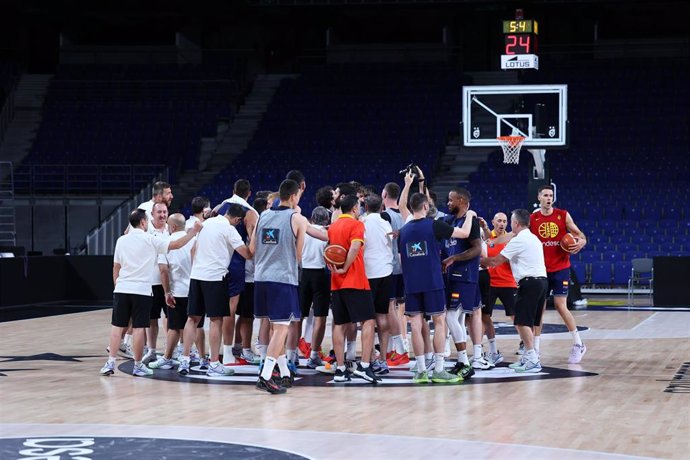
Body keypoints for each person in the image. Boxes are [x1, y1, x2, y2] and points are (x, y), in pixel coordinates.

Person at [100, 209, 200, 377]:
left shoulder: (121, 240)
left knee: (117, 327)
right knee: (139, 328)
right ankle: (138, 366)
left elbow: (116, 267)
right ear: (143, 222)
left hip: (122, 289)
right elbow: (176, 245)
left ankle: (110, 362)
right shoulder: (151, 240)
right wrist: (193, 233)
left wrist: (117, 284)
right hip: (141, 291)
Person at [399, 189, 475, 384]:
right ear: (425, 206)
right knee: (439, 323)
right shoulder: (434, 225)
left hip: (411, 284)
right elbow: (465, 233)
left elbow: (402, 260)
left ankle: (422, 370)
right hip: (433, 282)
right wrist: (470, 215)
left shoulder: (403, 231)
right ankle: (439, 369)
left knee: (415, 326)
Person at [178, 204, 252, 377]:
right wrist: (253, 234)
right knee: (216, 320)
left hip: (196, 275)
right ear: (237, 220)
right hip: (215, 277)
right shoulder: (230, 230)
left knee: (192, 319)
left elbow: (193, 249)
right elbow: (247, 254)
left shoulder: (206, 223)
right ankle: (214, 364)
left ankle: (185, 359)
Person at [252, 179, 308, 394]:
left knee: (276, 328)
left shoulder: (263, 216)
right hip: (283, 279)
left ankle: (284, 373)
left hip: (261, 277)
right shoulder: (298, 219)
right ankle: (265, 376)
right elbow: (299, 255)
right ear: (294, 196)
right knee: (282, 328)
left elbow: (254, 247)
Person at [481, 209, 547, 373]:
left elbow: (496, 260)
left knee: (522, 321)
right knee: (525, 321)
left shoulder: (519, 241)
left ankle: (532, 358)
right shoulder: (532, 237)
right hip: (541, 282)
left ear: (516, 223)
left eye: (510, 222)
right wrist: (490, 240)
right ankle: (529, 357)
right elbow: (500, 239)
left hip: (529, 283)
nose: (509, 225)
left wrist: (476, 259)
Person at [530, 185, 587, 363]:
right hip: (541, 269)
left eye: (551, 195)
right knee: (539, 308)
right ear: (539, 197)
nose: (549, 198)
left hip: (561, 267)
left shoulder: (563, 215)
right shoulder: (533, 218)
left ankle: (579, 344)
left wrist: (582, 242)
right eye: (545, 195)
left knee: (561, 306)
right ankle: (535, 349)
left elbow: (580, 234)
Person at [327, 194, 381, 384]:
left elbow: (328, 251)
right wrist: (345, 267)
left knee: (339, 324)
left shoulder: (333, 227)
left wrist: (334, 267)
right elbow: (355, 247)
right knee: (368, 321)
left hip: (336, 283)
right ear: (354, 209)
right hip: (355, 280)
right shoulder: (357, 225)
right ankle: (365, 366)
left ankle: (340, 369)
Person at [441, 187, 489, 375]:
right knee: (457, 319)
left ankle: (464, 361)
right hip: (453, 276)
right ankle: (467, 359)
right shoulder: (452, 221)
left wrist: (455, 258)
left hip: (465, 275)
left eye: (451, 200)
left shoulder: (472, 222)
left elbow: (477, 249)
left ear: (461, 201)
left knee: (451, 317)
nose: (448, 203)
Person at [214, 179, 260, 365]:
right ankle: (231, 351)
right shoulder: (250, 212)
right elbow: (253, 241)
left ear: (233, 190)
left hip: (218, 263)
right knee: (236, 312)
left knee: (220, 312)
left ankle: (225, 350)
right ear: (249, 193)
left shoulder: (219, 207)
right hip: (238, 264)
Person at [148, 213, 196, 370]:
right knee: (196, 325)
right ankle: (197, 356)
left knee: (174, 327)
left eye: (168, 224)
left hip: (176, 291)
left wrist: (167, 292)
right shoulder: (195, 240)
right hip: (195, 289)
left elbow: (163, 270)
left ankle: (168, 357)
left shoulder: (165, 242)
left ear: (173, 226)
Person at [480, 212, 518, 366]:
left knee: (517, 317)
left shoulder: (511, 238)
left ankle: (529, 348)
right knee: (484, 316)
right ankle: (493, 350)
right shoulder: (486, 237)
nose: (502, 223)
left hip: (508, 282)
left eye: (505, 221)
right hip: (490, 282)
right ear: (493, 222)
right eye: (499, 221)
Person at [362, 194, 394, 375]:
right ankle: (383, 359)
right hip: (386, 272)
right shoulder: (386, 223)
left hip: (368, 273)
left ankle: (369, 358)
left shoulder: (362, 222)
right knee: (382, 316)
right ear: (381, 207)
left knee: (368, 319)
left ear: (365, 206)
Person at [298, 206, 331, 369]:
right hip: (321, 275)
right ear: (326, 220)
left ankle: (292, 356)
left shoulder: (304, 231)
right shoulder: (326, 234)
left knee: (299, 317)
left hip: (304, 275)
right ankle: (314, 355)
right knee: (320, 317)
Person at [381, 181, 409, 366]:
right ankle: (393, 349)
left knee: (389, 309)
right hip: (403, 267)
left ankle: (400, 350)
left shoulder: (385, 215)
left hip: (390, 267)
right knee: (397, 309)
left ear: (384, 194)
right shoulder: (405, 215)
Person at [142, 201, 170, 365]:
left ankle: (170, 350)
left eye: (165, 212)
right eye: (159, 212)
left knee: (171, 318)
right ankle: (151, 350)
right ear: (152, 214)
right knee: (151, 318)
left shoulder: (171, 229)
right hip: (151, 281)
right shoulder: (146, 231)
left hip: (169, 282)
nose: (162, 215)